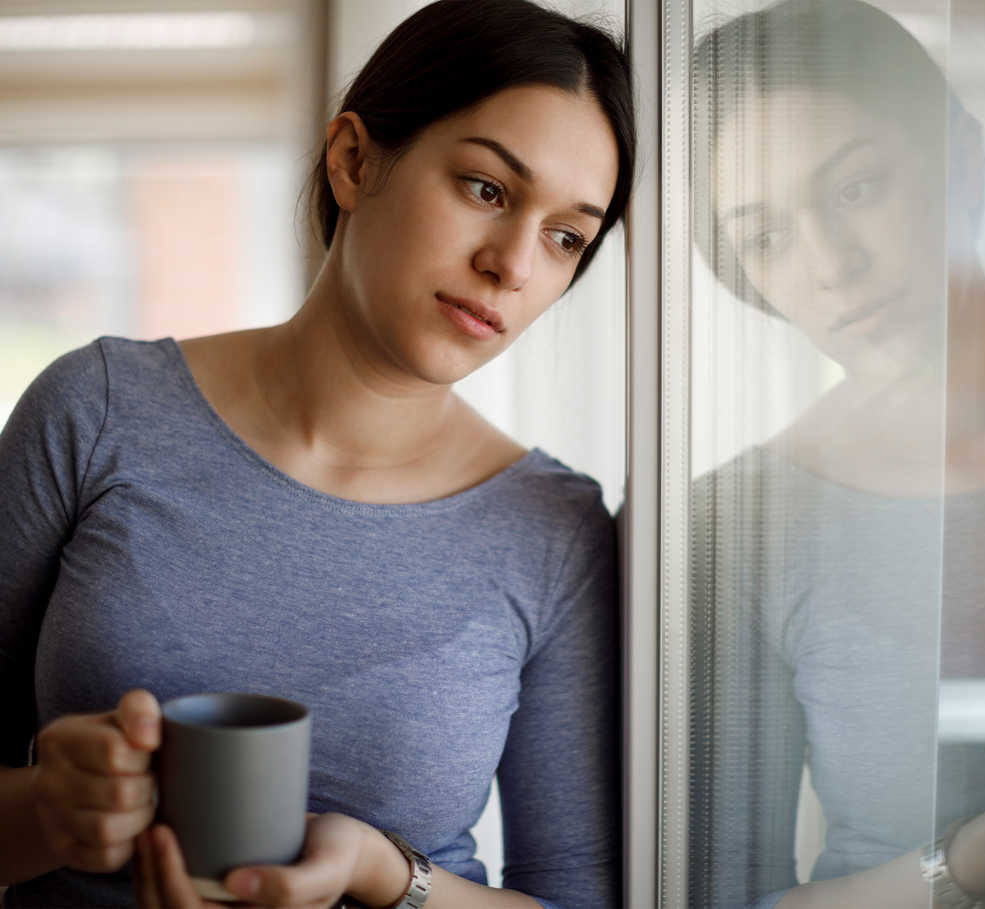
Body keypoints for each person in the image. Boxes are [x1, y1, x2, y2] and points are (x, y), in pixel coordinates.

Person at [0, 1, 635, 907]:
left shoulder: (556, 529)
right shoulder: (96, 411)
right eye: (487, 189)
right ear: (353, 160)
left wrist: (387, 873)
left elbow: (578, 897)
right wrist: (45, 811)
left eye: (565, 236)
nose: (514, 265)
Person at [689, 1, 985, 906]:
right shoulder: (734, 526)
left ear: (962, 159)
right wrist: (983, 855)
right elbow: (722, 897)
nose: (833, 265)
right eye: (767, 237)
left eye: (858, 188)